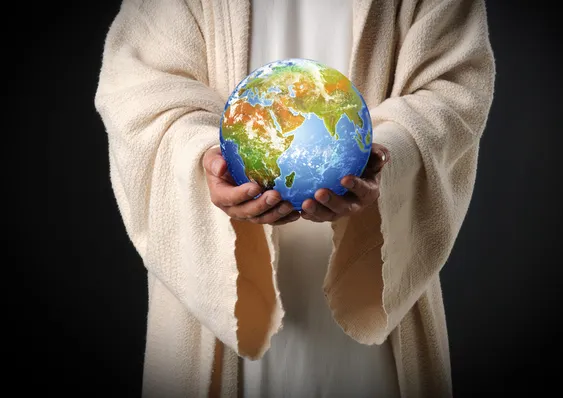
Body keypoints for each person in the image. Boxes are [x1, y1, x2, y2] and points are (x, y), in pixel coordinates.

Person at [94, 0, 495, 397]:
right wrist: (205, 158)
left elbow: (456, 86)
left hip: (377, 286)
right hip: (217, 295)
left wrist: (384, 156)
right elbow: (139, 88)